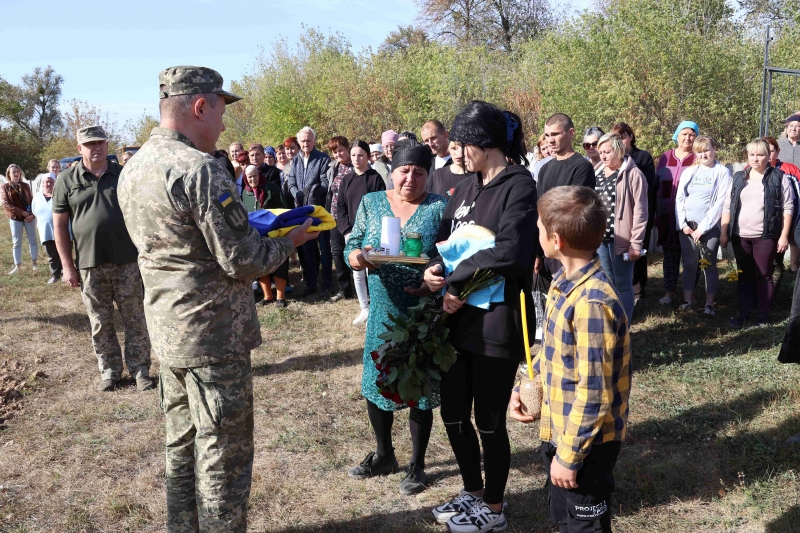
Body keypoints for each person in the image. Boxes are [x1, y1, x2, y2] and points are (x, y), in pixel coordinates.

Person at [118, 65, 319, 532]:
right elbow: (243, 261)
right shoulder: (199, 170)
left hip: (168, 333)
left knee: (181, 447)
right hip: (213, 336)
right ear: (199, 105)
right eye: (222, 110)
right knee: (222, 456)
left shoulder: (135, 166)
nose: (225, 124)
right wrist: (290, 241)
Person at [423, 101, 538, 533]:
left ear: (486, 143)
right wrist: (436, 268)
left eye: (462, 144)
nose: (457, 152)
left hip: (496, 320)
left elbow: (509, 251)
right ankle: (471, 492)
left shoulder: (519, 185)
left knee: (488, 419)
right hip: (457, 321)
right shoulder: (469, 186)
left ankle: (493, 506)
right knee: (453, 413)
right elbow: (454, 242)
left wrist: (455, 282)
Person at [510, 185, 631, 533]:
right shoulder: (562, 281)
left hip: (585, 447)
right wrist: (526, 386)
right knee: (566, 521)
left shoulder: (592, 304)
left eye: (538, 228)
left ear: (557, 239)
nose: (536, 233)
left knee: (584, 526)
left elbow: (595, 393)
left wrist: (569, 457)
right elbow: (552, 354)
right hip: (561, 432)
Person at [344, 139, 446, 495]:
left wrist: (436, 272)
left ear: (428, 175)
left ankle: (417, 465)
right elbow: (352, 243)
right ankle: (385, 454)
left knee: (419, 386)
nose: (410, 179)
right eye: (404, 171)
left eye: (419, 172)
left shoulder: (438, 207)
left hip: (421, 313)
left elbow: (450, 254)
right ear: (392, 171)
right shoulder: (372, 203)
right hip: (383, 309)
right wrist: (358, 257)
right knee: (377, 382)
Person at [51, 125, 153, 392]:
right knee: (100, 321)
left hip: (128, 261)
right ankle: (110, 370)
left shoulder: (124, 174)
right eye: (89, 144)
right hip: (89, 264)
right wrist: (66, 266)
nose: (96, 148)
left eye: (100, 143)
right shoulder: (67, 179)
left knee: (135, 319)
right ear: (79, 148)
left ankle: (141, 369)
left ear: (107, 146)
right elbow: (60, 226)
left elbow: (142, 212)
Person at [721, 138, 794, 327]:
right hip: (740, 236)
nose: (756, 159)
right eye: (751, 155)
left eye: (760, 154)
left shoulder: (779, 177)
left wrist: (784, 235)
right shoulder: (738, 177)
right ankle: (744, 314)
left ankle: (763, 317)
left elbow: (788, 207)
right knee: (744, 275)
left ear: (768, 156)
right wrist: (724, 231)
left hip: (765, 236)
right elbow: (727, 206)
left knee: (764, 275)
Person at [534, 113, 596, 286]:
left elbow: (574, 210)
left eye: (555, 134)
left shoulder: (582, 167)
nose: (550, 140)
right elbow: (538, 211)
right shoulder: (545, 169)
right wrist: (537, 252)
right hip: (547, 246)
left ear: (571, 133)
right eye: (547, 135)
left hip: (571, 248)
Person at [674, 135, 732, 315]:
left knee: (708, 264)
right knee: (690, 264)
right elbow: (680, 198)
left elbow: (720, 202)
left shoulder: (722, 172)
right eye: (699, 152)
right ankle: (688, 300)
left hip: (709, 227)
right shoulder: (689, 172)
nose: (704, 154)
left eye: (707, 150)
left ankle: (709, 304)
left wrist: (703, 228)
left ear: (714, 149)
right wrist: (683, 224)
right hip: (688, 227)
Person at [594, 132, 648, 324]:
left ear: (618, 150)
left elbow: (641, 211)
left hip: (623, 240)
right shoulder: (597, 172)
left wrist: (636, 242)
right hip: (600, 238)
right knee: (608, 283)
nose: (603, 156)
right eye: (600, 152)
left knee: (623, 284)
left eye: (607, 151)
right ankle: (612, 324)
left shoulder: (633, 174)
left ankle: (624, 327)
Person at [337, 140, 386, 324]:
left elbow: (382, 206)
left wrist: (374, 232)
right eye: (354, 155)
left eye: (360, 155)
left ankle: (376, 308)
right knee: (357, 269)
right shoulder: (346, 180)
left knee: (371, 270)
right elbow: (340, 207)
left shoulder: (375, 178)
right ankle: (364, 307)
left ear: (367, 157)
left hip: (372, 232)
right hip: (352, 233)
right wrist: (347, 231)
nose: (356, 159)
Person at [612, 122, 657, 305]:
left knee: (637, 252)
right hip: (618, 217)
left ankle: (638, 290)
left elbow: (648, 188)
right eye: (617, 138)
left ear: (631, 137)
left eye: (623, 136)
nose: (621, 141)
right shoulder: (611, 160)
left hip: (638, 212)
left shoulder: (642, 157)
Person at [286, 126, 333, 297]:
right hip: (301, 210)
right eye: (303, 140)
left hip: (318, 210)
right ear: (299, 142)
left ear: (314, 141)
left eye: (309, 140)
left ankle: (327, 283)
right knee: (307, 248)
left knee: (324, 248)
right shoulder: (296, 160)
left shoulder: (322, 158)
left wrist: (309, 192)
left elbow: (325, 183)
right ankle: (311, 283)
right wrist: (296, 194)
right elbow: (291, 181)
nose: (306, 143)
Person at [656, 121, 698, 305]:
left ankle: (690, 294)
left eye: (692, 134)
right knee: (670, 256)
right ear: (676, 135)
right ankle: (670, 292)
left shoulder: (699, 157)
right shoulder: (665, 157)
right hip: (666, 215)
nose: (688, 137)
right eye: (684, 133)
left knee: (691, 257)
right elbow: (657, 185)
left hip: (690, 217)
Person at [241, 165, 292, 308]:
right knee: (261, 262)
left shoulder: (272, 188)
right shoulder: (245, 193)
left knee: (280, 262)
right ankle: (267, 296)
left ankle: (280, 297)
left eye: (255, 175)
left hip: (275, 232)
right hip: (256, 235)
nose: (252, 179)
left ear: (259, 175)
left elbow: (284, 209)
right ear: (246, 178)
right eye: (249, 176)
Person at [764, 136, 800, 274]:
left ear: (778, 151)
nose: (768, 154)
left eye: (771, 151)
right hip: (765, 218)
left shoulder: (789, 169)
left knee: (792, 239)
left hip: (789, 213)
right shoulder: (750, 168)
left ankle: (794, 266)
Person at [325, 136, 354, 303]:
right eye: (335, 152)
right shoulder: (334, 168)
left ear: (348, 148)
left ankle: (363, 288)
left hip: (351, 218)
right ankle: (344, 289)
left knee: (356, 252)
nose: (338, 154)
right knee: (337, 253)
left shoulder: (355, 167)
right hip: (334, 216)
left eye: (340, 150)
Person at [1, 164, 37, 275]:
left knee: (33, 241)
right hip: (15, 218)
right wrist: (22, 213)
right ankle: (17, 266)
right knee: (16, 242)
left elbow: (32, 201)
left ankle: (34, 264)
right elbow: (6, 204)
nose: (16, 174)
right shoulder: (5, 187)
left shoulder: (26, 186)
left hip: (29, 218)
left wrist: (31, 214)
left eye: (17, 171)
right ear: (9, 174)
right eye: (13, 172)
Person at [30, 173, 62, 283]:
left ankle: (65, 272)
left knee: (62, 252)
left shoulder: (59, 194)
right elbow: (34, 211)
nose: (48, 184)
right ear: (43, 183)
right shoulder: (37, 196)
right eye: (46, 182)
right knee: (51, 254)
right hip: (45, 230)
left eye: (51, 181)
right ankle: (55, 275)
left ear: (55, 183)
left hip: (61, 229)